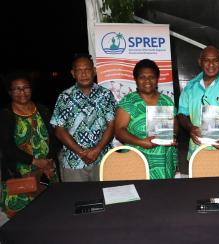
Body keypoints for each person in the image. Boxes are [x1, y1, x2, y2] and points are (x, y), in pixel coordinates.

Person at [0, 73, 59, 217]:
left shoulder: (43, 110)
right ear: (10, 92)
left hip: (47, 170)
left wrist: (49, 160)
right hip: (20, 174)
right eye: (17, 89)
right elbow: (7, 148)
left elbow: (54, 137)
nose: (22, 92)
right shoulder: (5, 115)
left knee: (49, 212)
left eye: (26, 88)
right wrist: (35, 162)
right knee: (22, 218)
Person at [50, 54, 116, 182]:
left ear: (94, 71)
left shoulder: (106, 95)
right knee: (74, 199)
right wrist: (81, 152)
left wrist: (97, 150)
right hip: (74, 162)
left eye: (87, 69)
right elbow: (59, 129)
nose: (84, 74)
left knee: (104, 196)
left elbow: (112, 125)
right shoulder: (65, 97)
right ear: (73, 73)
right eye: (79, 70)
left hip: (102, 158)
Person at [115, 59, 177, 179]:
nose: (147, 81)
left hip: (164, 159)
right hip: (137, 159)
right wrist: (142, 142)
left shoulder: (166, 100)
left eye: (151, 77)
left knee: (165, 195)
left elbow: (175, 123)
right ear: (136, 79)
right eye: (142, 77)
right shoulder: (129, 102)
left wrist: (173, 134)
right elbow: (119, 132)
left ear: (157, 79)